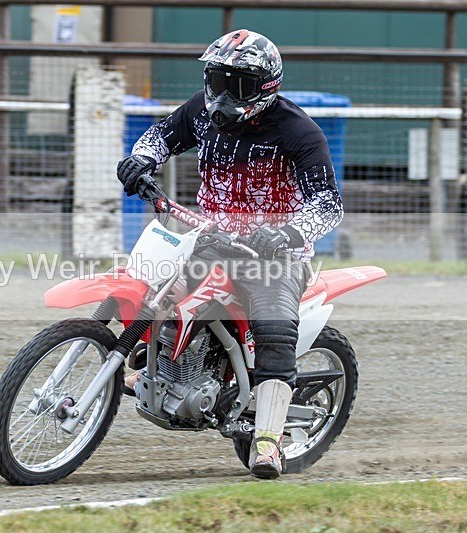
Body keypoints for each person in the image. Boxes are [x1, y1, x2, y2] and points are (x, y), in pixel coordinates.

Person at [116, 29, 344, 479]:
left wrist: (286, 232)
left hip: (275, 255)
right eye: (216, 79)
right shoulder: (201, 112)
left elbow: (329, 204)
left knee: (275, 331)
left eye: (235, 84)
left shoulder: (300, 131)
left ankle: (267, 441)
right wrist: (139, 161)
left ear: (266, 87)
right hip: (207, 237)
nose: (220, 94)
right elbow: (160, 136)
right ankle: (142, 367)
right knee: (144, 285)